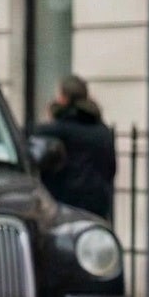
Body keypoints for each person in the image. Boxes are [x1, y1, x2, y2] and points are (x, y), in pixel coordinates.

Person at [41, 74, 117, 222]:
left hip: (63, 208)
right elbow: (110, 168)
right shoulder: (103, 132)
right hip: (97, 209)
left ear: (63, 98)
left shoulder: (54, 131)